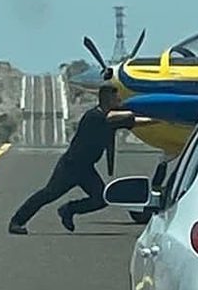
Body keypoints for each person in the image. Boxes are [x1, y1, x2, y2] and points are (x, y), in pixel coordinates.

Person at [8, 84, 151, 235]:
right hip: (71, 166)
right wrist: (133, 111)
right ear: (107, 99)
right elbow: (123, 117)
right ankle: (16, 222)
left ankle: (68, 209)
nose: (120, 101)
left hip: (86, 168)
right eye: (117, 99)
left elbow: (134, 122)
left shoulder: (111, 118)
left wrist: (159, 119)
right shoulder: (94, 116)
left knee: (101, 199)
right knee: (48, 194)